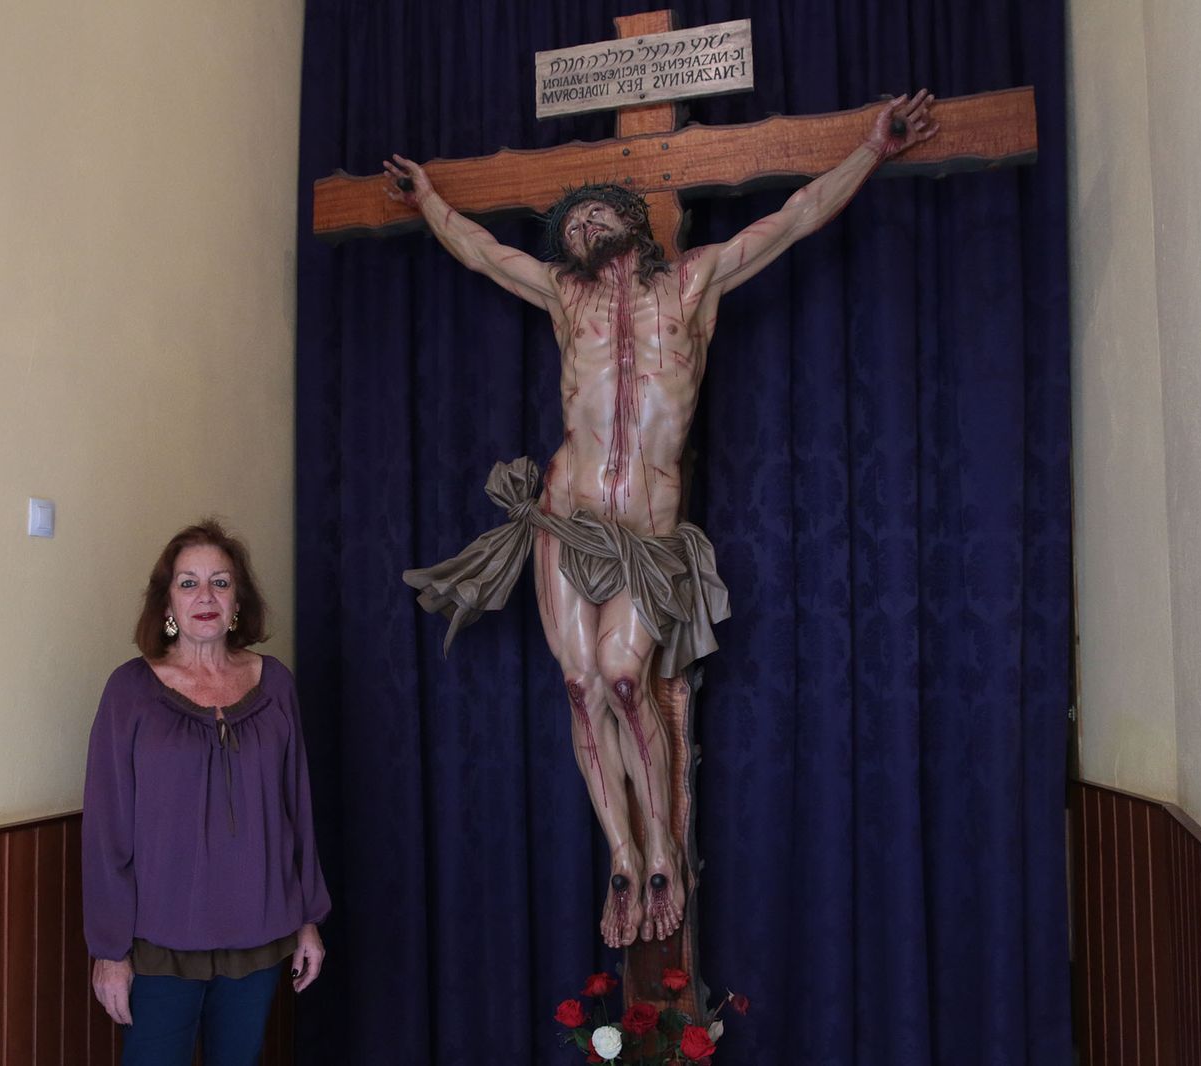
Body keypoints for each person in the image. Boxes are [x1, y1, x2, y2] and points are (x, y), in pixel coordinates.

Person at [387, 93, 937, 948]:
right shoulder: (563, 297)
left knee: (620, 678)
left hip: (646, 534)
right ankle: (625, 853)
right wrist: (428, 201)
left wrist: (871, 149)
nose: (583, 225)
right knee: (578, 686)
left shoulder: (694, 281)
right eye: (572, 223)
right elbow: (486, 254)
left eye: (597, 212)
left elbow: (796, 218)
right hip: (566, 517)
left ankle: (665, 850)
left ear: (636, 223)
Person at [83, 521, 330, 1065]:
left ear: (238, 600)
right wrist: (109, 951)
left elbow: (296, 808)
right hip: (158, 945)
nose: (205, 596)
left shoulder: (276, 684)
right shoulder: (130, 691)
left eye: (220, 582)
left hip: (260, 934)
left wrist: (307, 920)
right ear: (167, 601)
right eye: (188, 583)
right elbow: (107, 831)